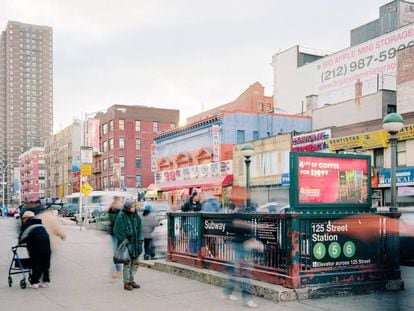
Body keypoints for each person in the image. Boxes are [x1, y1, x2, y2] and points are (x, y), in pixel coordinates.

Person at [222, 214, 260, 308]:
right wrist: (253, 225)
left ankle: (227, 292)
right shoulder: (236, 212)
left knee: (236, 273)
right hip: (239, 246)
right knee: (244, 273)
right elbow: (235, 223)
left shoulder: (248, 209)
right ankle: (248, 299)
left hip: (246, 246)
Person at [113, 199, 143, 291]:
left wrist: (140, 240)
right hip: (127, 244)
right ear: (128, 207)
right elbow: (117, 230)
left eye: (134, 206)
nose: (133, 208)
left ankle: (131, 279)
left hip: (136, 243)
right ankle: (126, 282)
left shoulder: (136, 217)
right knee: (127, 263)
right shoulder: (121, 216)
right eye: (132, 206)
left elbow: (140, 230)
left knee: (136, 262)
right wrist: (124, 240)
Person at [19, 211, 52, 289]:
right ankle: (46, 281)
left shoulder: (27, 225)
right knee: (45, 265)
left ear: (27, 218)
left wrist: (20, 242)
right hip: (47, 247)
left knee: (36, 264)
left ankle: (35, 283)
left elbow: (23, 237)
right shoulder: (41, 225)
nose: (23, 220)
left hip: (36, 248)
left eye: (23, 218)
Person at [108, 196, 123, 278]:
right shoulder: (115, 209)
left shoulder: (118, 210)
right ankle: (118, 270)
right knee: (117, 252)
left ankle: (118, 270)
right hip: (115, 233)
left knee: (117, 252)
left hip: (117, 234)